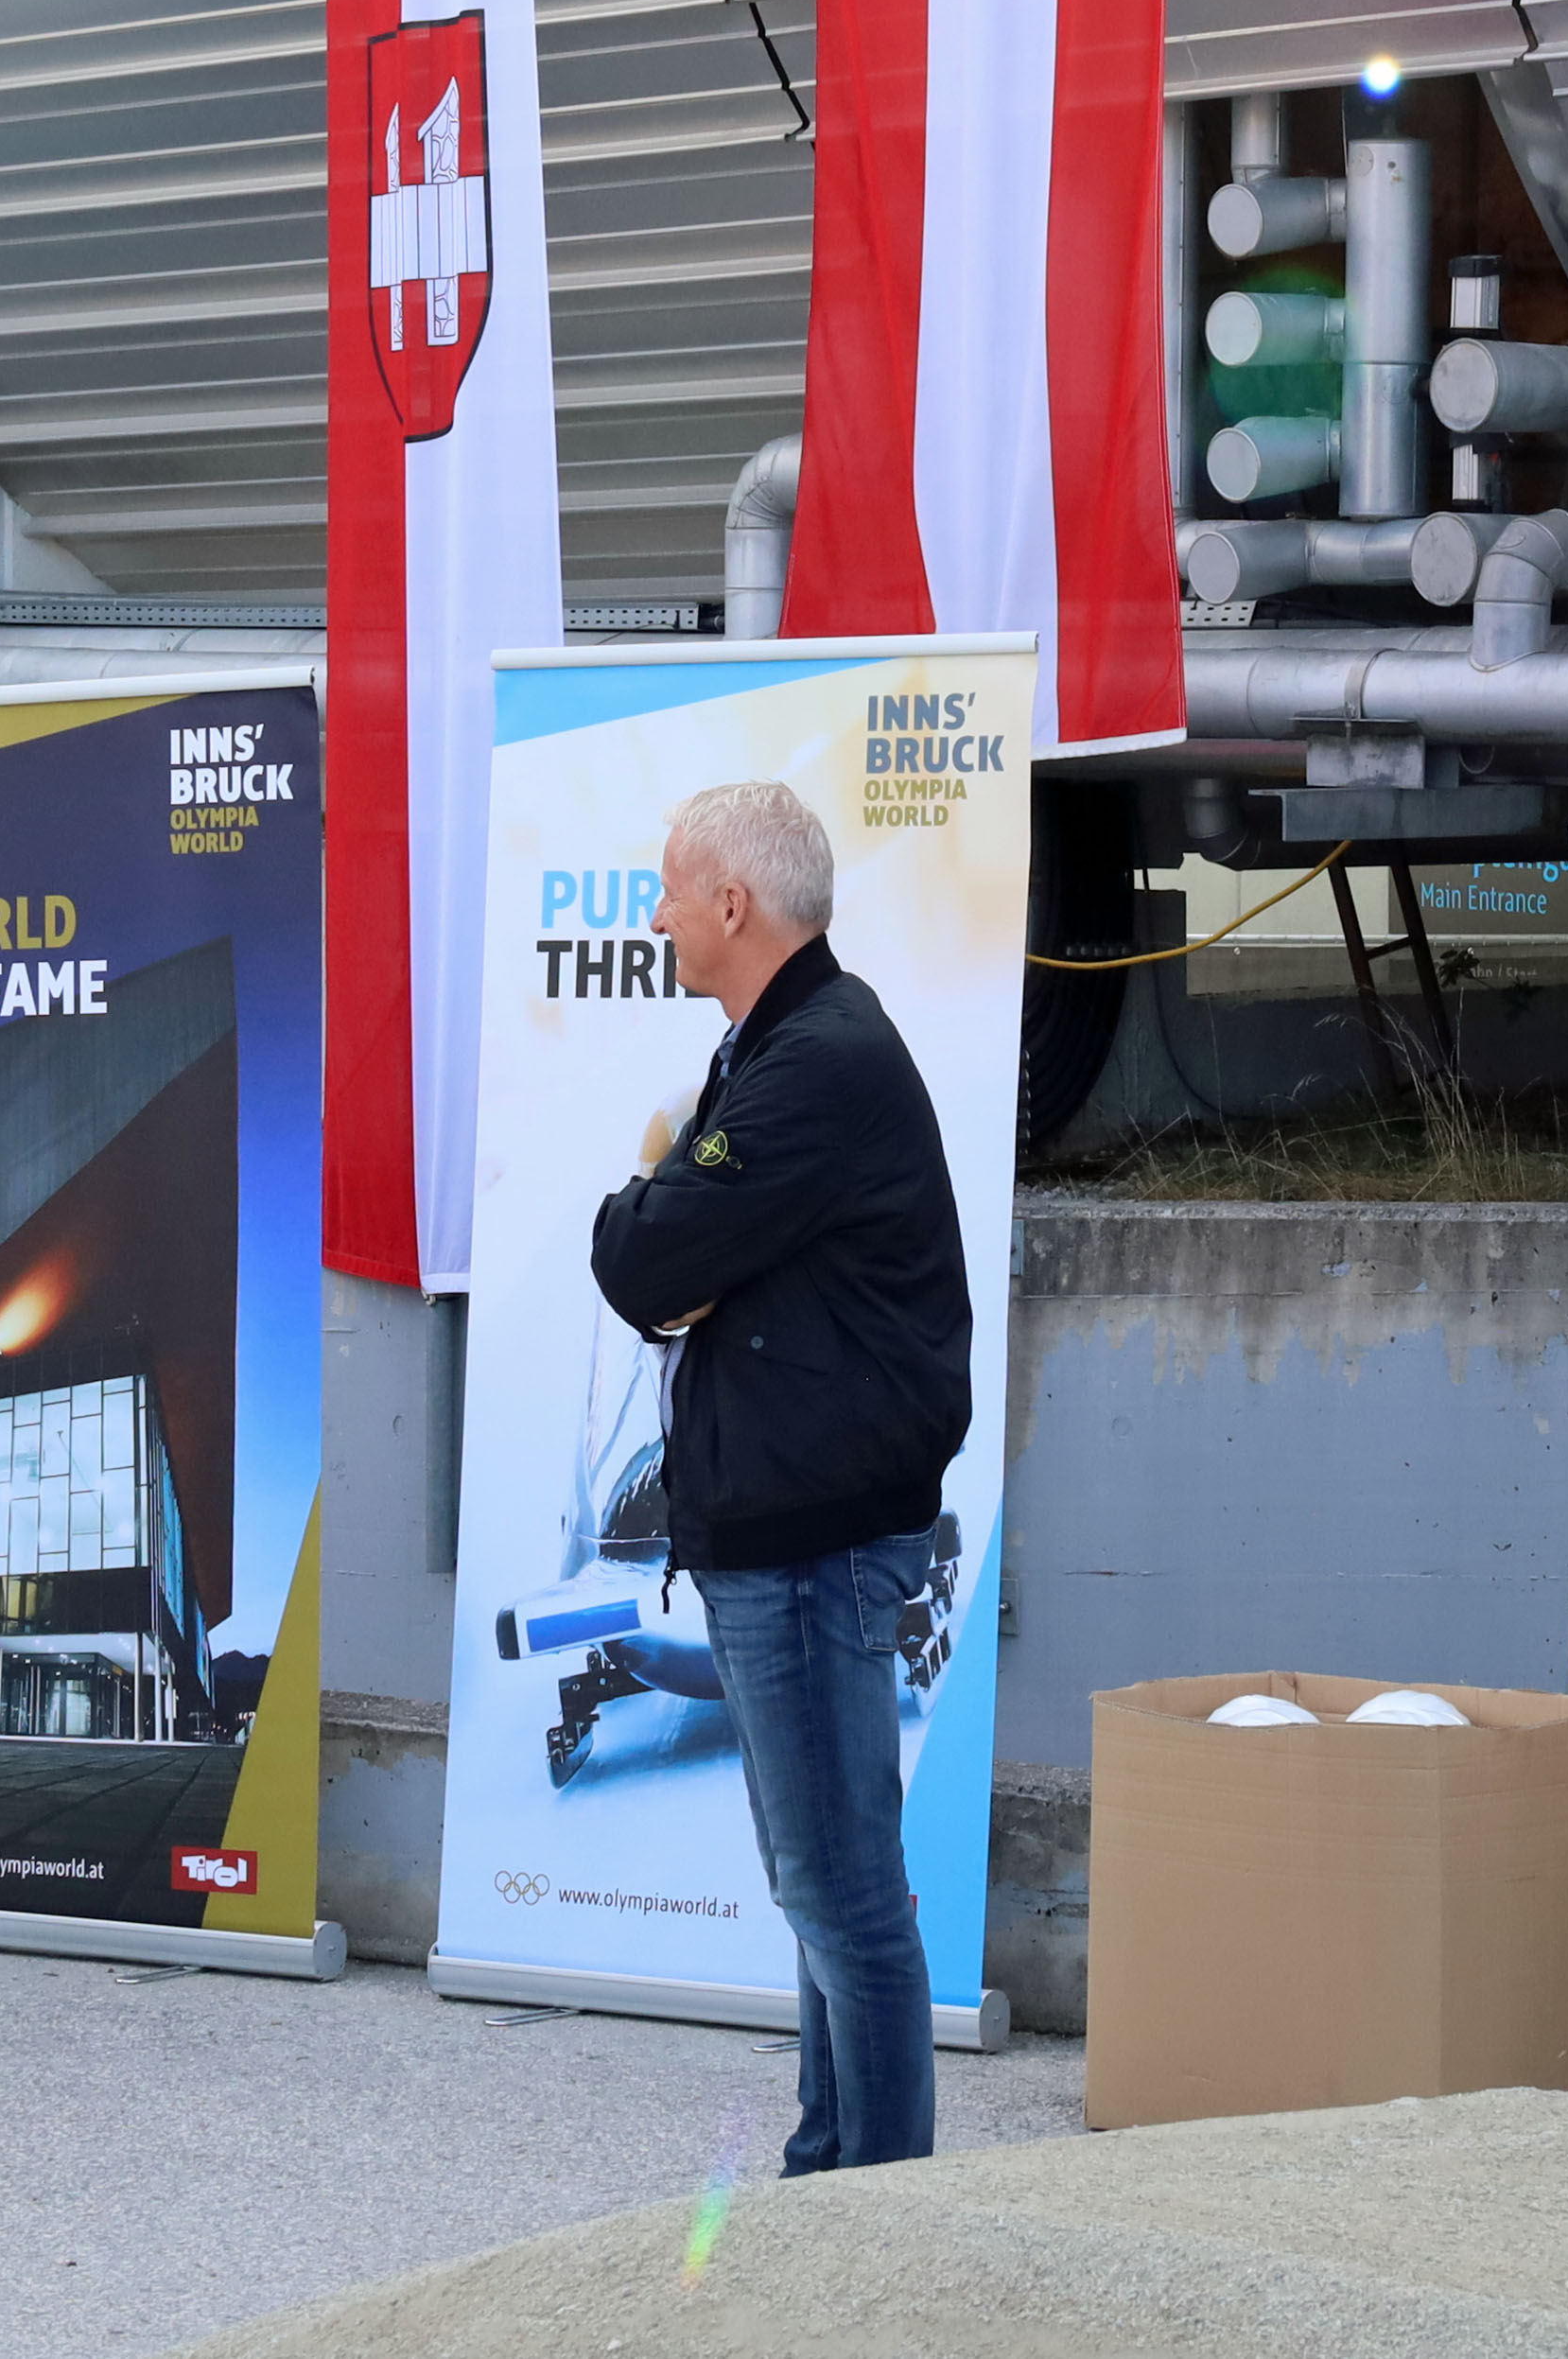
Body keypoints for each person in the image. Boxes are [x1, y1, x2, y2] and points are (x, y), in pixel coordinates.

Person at [591, 779, 969, 2174]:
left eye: (671, 891)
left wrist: (658, 1215)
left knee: (843, 1897)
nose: (659, 917)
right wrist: (681, 1242)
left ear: (734, 904)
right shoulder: (786, 1047)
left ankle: (871, 2211)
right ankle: (831, 2183)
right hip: (791, 1531)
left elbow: (641, 1256)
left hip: (811, 1545)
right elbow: (674, 1270)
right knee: (824, 1893)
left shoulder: (814, 1063)